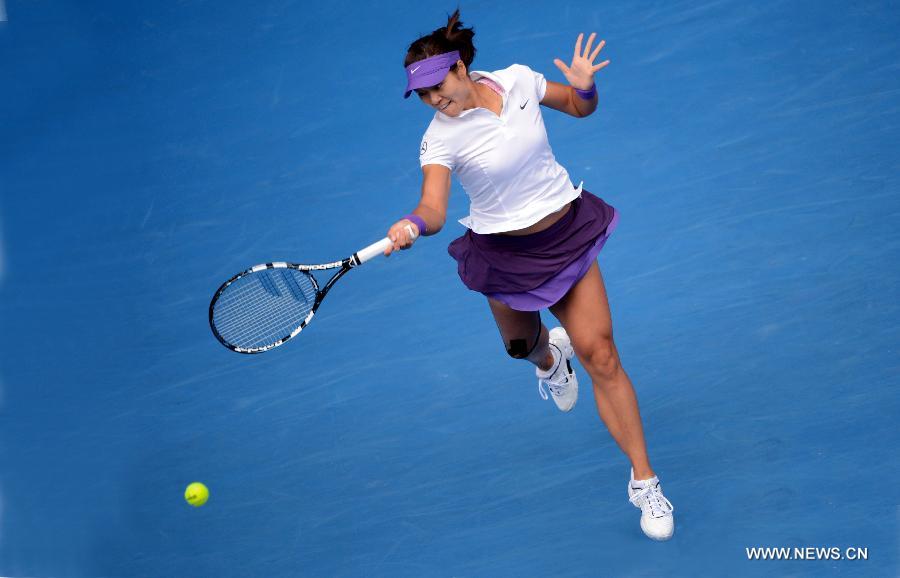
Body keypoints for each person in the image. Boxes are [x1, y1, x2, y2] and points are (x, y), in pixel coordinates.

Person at [383, 10, 675, 541]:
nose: (432, 100)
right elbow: (434, 206)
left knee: (603, 355)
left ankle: (644, 481)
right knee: (522, 348)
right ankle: (549, 357)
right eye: (421, 95)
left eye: (436, 86)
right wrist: (411, 223)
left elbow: (580, 108)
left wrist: (585, 88)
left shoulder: (517, 79)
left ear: (461, 68)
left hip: (567, 235)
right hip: (504, 255)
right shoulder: (439, 139)